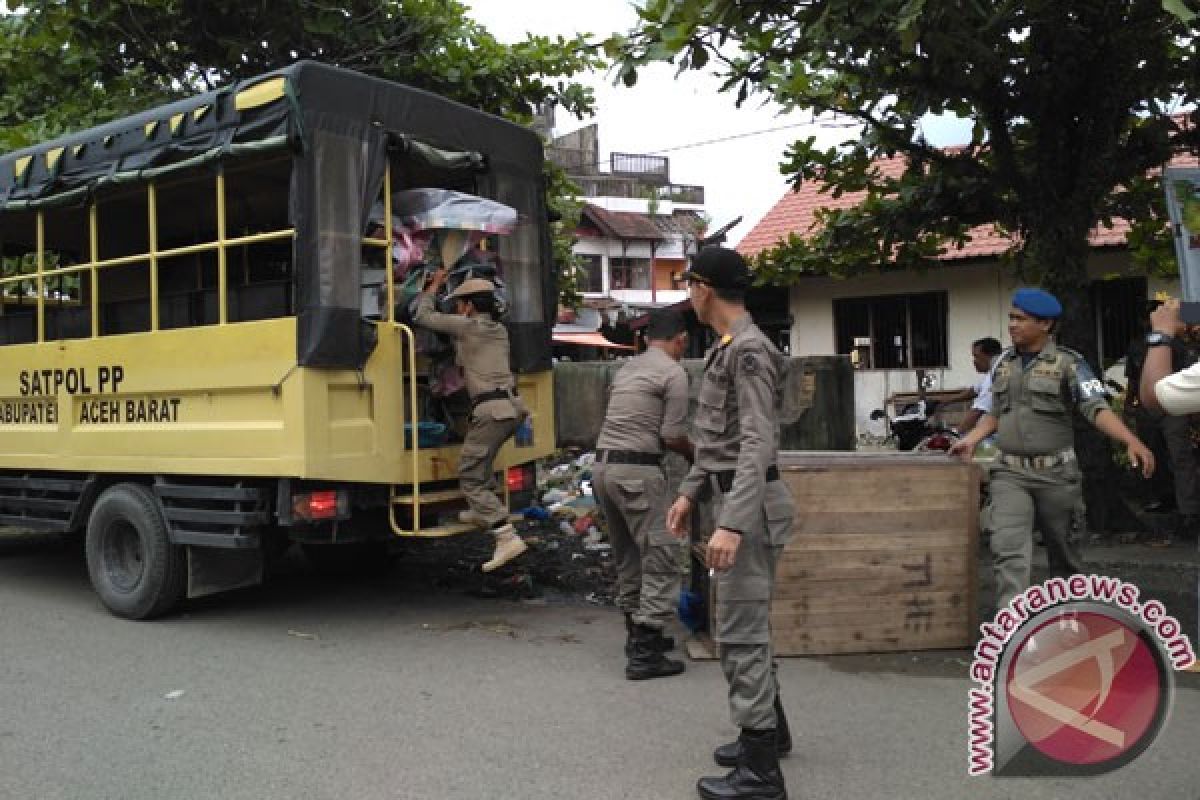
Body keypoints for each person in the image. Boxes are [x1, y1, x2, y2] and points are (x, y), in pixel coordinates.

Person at [665, 246, 794, 800]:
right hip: (737, 499)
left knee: (739, 634)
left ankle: (761, 772)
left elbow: (757, 443)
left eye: (689, 284)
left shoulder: (748, 352)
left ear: (704, 288)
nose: (688, 294)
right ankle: (771, 733)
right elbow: (718, 442)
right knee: (746, 627)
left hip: (752, 508)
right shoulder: (727, 349)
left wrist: (733, 524)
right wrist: (691, 495)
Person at [951, 289, 1155, 611]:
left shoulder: (1069, 363)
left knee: (1064, 557)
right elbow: (995, 411)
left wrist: (1130, 440)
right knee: (1009, 551)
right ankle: (1012, 633)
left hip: (1056, 475)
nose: (1012, 325)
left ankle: (1067, 623)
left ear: (1045, 324)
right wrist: (972, 438)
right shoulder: (1004, 362)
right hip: (1009, 473)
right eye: (1011, 318)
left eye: (1021, 319)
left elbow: (1096, 407)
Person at [593, 308, 693, 680]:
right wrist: (697, 455)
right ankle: (646, 653)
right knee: (663, 553)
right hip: (637, 472)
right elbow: (671, 435)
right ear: (680, 339)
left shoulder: (627, 368)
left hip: (603, 469)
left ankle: (636, 635)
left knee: (629, 558)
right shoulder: (673, 373)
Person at [413, 269, 529, 572]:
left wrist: (433, 286)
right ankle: (482, 511)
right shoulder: (497, 329)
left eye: (458, 304)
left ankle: (505, 536)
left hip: (491, 410)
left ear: (468, 306)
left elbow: (423, 316)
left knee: (468, 470)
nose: (456, 310)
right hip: (510, 408)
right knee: (482, 461)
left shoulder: (469, 327)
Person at [1129, 298, 1200, 541]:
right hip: (1155, 409)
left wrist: (1161, 334)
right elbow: (1135, 381)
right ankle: (1161, 501)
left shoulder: (1174, 345)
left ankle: (1188, 512)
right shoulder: (1138, 345)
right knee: (1153, 457)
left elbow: (1156, 393)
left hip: (1174, 408)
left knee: (1181, 459)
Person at [955, 337, 1004, 434]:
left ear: (990, 356)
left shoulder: (996, 376)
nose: (974, 361)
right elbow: (974, 390)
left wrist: (955, 434)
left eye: (976, 356)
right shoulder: (993, 372)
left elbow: (977, 411)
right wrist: (945, 400)